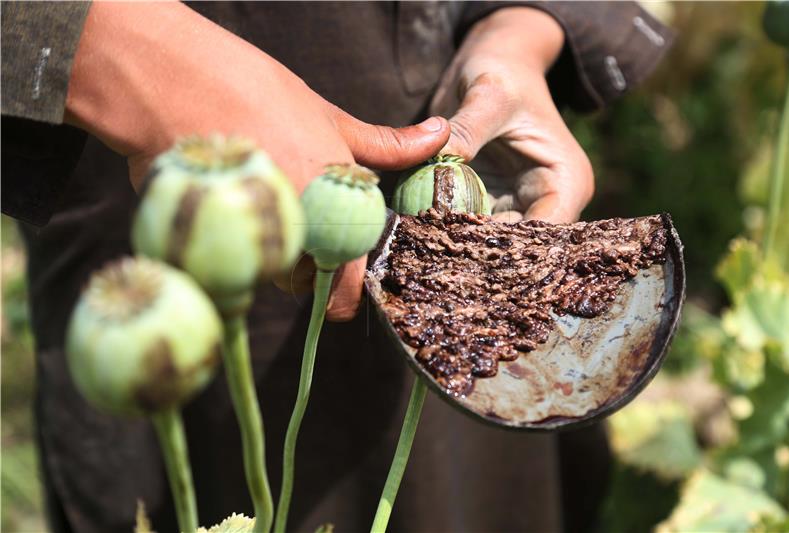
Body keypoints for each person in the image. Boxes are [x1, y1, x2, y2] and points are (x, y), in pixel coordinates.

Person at [2, 2, 673, 531]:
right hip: (142, 192)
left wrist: (516, 29)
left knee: (465, 491)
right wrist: (96, 40)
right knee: (200, 473)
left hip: (429, 124)